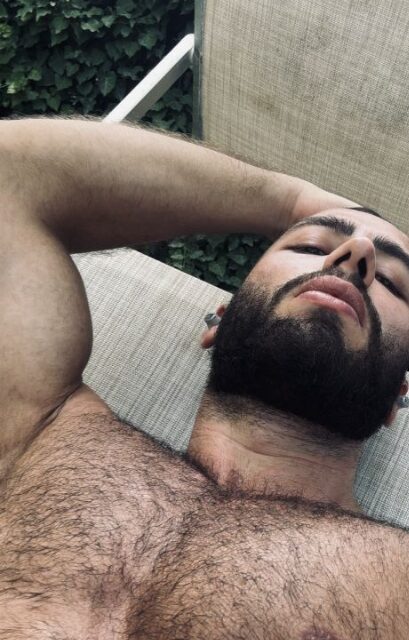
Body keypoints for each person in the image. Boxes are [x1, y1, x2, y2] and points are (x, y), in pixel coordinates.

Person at [0, 115, 408, 639]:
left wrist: (317, 225)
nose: (357, 255)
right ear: (221, 320)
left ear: (398, 395)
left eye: (393, 282)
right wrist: (294, 203)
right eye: (309, 247)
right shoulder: (39, 429)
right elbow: (11, 170)